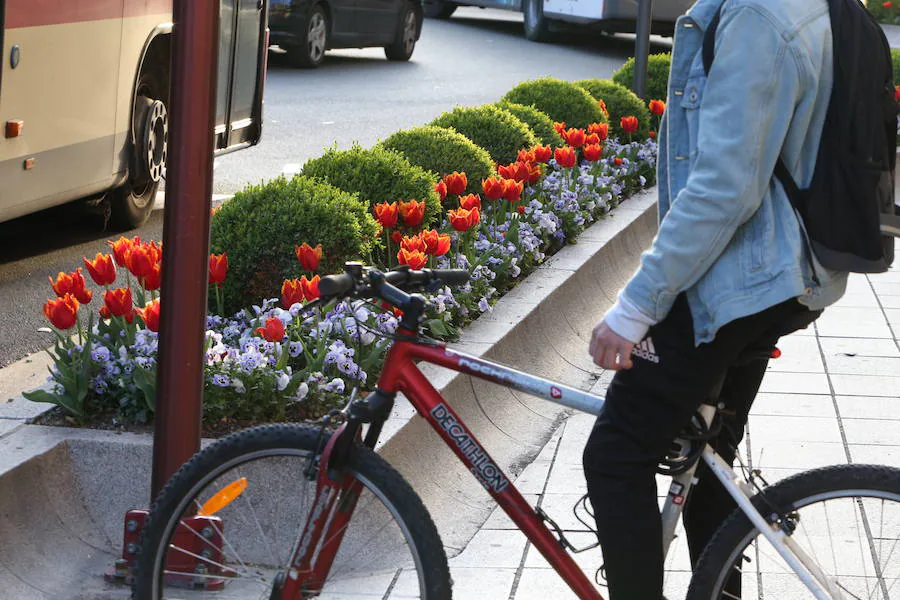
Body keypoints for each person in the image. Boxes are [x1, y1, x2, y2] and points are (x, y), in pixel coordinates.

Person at [582, 0, 847, 598]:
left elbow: (725, 187)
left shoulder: (756, 16)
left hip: (742, 278)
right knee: (709, 473)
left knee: (617, 455)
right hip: (786, 274)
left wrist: (634, 309)